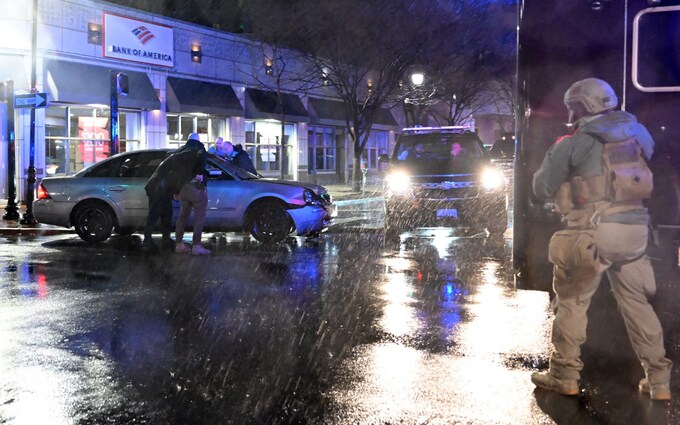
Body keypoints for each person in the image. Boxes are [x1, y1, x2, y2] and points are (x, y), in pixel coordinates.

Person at [531, 78, 672, 400]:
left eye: (573, 106)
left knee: (572, 304)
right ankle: (659, 380)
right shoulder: (639, 133)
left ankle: (563, 375)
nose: (570, 112)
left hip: (591, 235)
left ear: (585, 107)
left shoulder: (572, 142)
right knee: (638, 305)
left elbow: (542, 188)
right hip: (635, 234)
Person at [142, 148, 200, 252]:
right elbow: (179, 178)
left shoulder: (176, 159)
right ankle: (148, 241)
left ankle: (162, 240)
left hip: (158, 189)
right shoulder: (184, 162)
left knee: (164, 215)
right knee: (156, 215)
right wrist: (177, 192)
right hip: (159, 190)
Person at [174, 133, 211, 255]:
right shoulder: (199, 148)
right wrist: (199, 173)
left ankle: (179, 244)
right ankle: (196, 245)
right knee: (199, 216)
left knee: (183, 216)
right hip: (196, 186)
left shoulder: (181, 150)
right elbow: (201, 162)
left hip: (183, 187)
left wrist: (177, 189)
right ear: (198, 140)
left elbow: (176, 169)